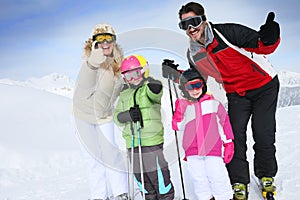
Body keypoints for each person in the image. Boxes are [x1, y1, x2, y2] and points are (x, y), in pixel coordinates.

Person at [162, 2, 280, 199]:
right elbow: (198, 80)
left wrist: (271, 36)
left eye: (194, 22)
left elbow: (263, 46)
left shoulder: (227, 33)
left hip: (263, 85)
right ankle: (239, 181)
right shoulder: (194, 53)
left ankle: (266, 175)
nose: (191, 29)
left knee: (263, 131)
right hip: (236, 93)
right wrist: (175, 74)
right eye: (185, 25)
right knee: (234, 136)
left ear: (204, 20)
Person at [72, 23, 128, 200]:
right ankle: (99, 195)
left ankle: (121, 193)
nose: (105, 43)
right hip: (83, 115)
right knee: (92, 157)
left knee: (111, 153)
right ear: (94, 42)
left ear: (114, 40)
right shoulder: (89, 60)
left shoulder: (117, 63)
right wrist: (95, 60)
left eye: (108, 38)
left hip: (104, 115)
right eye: (100, 39)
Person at [113, 55, 175, 200]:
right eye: (128, 75)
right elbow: (117, 117)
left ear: (143, 71)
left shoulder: (148, 87)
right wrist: (127, 115)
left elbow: (156, 93)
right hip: (133, 143)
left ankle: (165, 197)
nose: (133, 78)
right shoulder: (124, 94)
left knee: (158, 175)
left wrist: (155, 84)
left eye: (136, 73)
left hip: (151, 141)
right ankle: (149, 197)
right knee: (141, 177)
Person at [172, 68, 234, 200]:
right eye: (190, 86)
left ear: (203, 85)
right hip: (193, 151)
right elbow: (177, 126)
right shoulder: (183, 105)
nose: (195, 90)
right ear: (184, 89)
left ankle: (225, 197)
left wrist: (228, 142)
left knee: (217, 177)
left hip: (213, 149)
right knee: (199, 180)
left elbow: (224, 123)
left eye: (198, 85)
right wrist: (180, 113)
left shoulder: (213, 103)